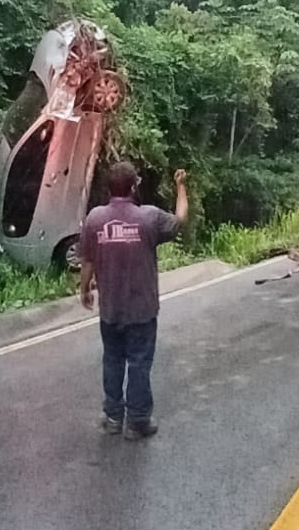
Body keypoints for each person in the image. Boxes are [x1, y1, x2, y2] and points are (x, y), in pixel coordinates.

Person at [79, 162, 188, 440]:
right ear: (133, 187)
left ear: (109, 189)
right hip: (142, 310)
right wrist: (180, 185)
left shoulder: (94, 219)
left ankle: (114, 417)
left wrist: (85, 290)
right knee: (139, 363)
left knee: (113, 360)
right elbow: (181, 218)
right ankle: (137, 421)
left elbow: (88, 260)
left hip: (111, 309)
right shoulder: (149, 217)